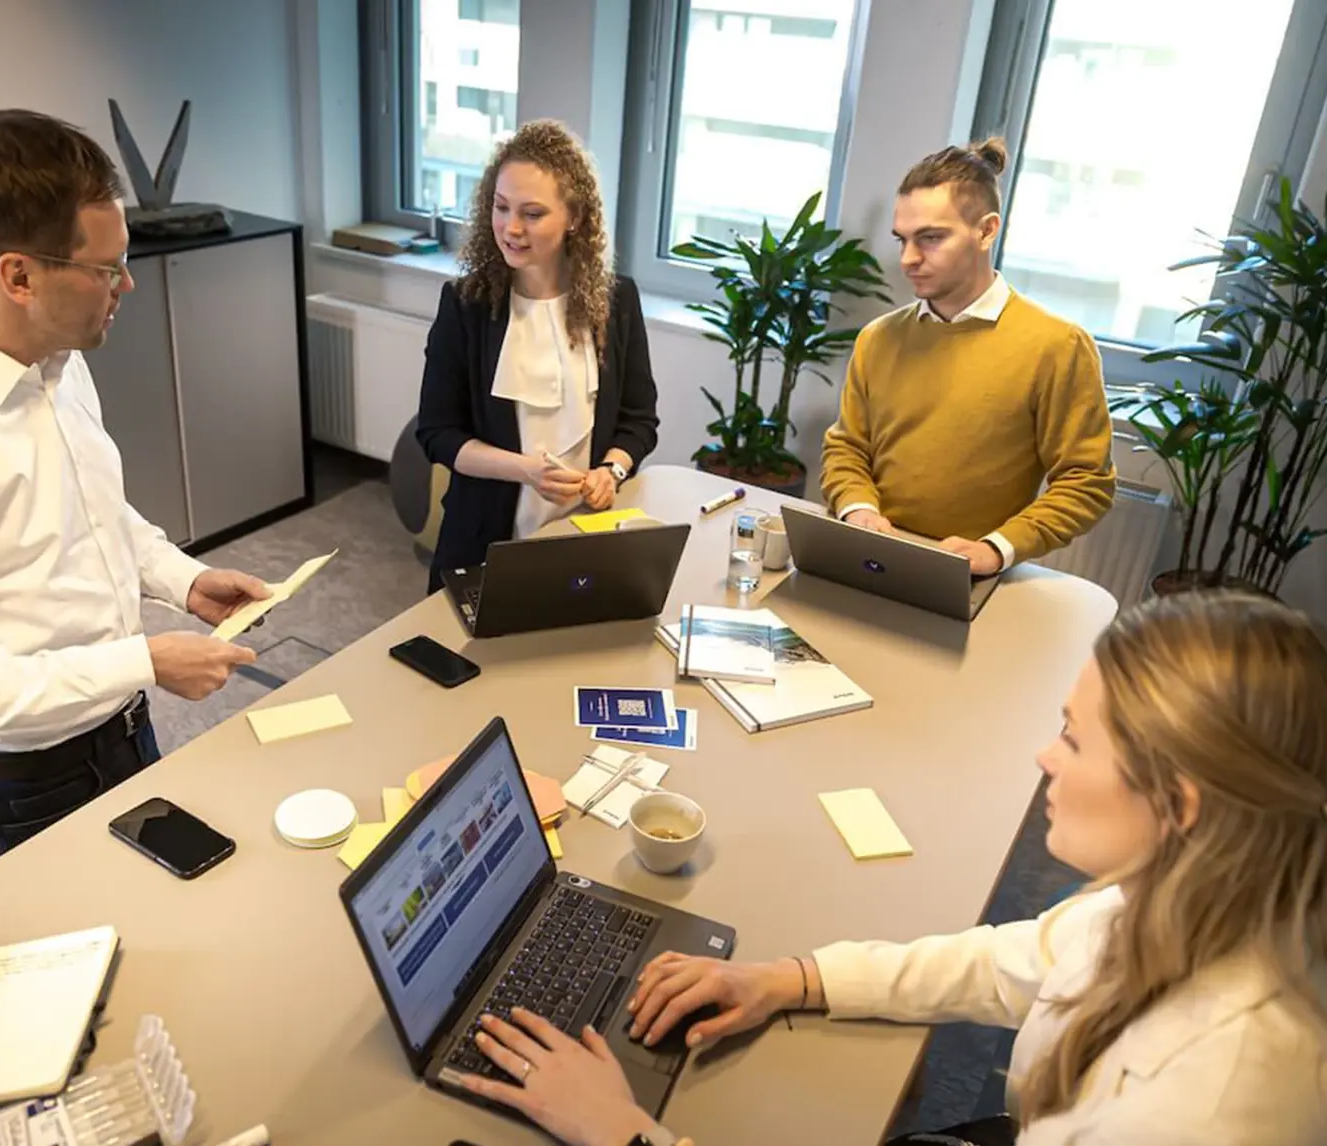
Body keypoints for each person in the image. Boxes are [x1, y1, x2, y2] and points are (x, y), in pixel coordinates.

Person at [455, 591, 1327, 1145]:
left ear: (1181, 804)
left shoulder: (1206, 1113)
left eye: (1071, 738)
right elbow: (1005, 963)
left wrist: (626, 1138)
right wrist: (790, 979)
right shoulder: (1187, 897)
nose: (1042, 759)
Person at [0, 110, 268, 871]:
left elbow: (90, 512)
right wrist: (144, 662)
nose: (127, 284)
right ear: (19, 276)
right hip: (22, 783)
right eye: (106, 268)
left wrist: (181, 579)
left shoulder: (52, 357)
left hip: (119, 725)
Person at [819, 139, 1116, 576]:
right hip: (867, 557)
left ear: (986, 230)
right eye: (902, 240)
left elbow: (1086, 481)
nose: (909, 258)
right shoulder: (877, 339)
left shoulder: (1057, 346)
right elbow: (847, 446)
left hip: (970, 573)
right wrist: (857, 509)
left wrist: (997, 549)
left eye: (931, 238)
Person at [415, 119, 660, 593]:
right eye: (501, 207)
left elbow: (639, 418)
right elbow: (437, 434)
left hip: (587, 541)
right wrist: (526, 470)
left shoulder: (616, 301)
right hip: (482, 546)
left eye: (532, 213)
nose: (510, 228)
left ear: (574, 217)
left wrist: (613, 469)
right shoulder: (466, 305)